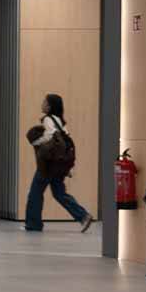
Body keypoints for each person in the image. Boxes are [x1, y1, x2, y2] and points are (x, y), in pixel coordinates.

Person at [25, 93, 95, 233]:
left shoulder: (48, 119)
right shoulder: (60, 122)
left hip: (48, 165)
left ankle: (34, 224)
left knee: (35, 193)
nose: (42, 104)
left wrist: (36, 142)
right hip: (59, 165)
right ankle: (83, 216)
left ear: (50, 106)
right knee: (59, 193)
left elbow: (50, 136)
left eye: (45, 102)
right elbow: (64, 142)